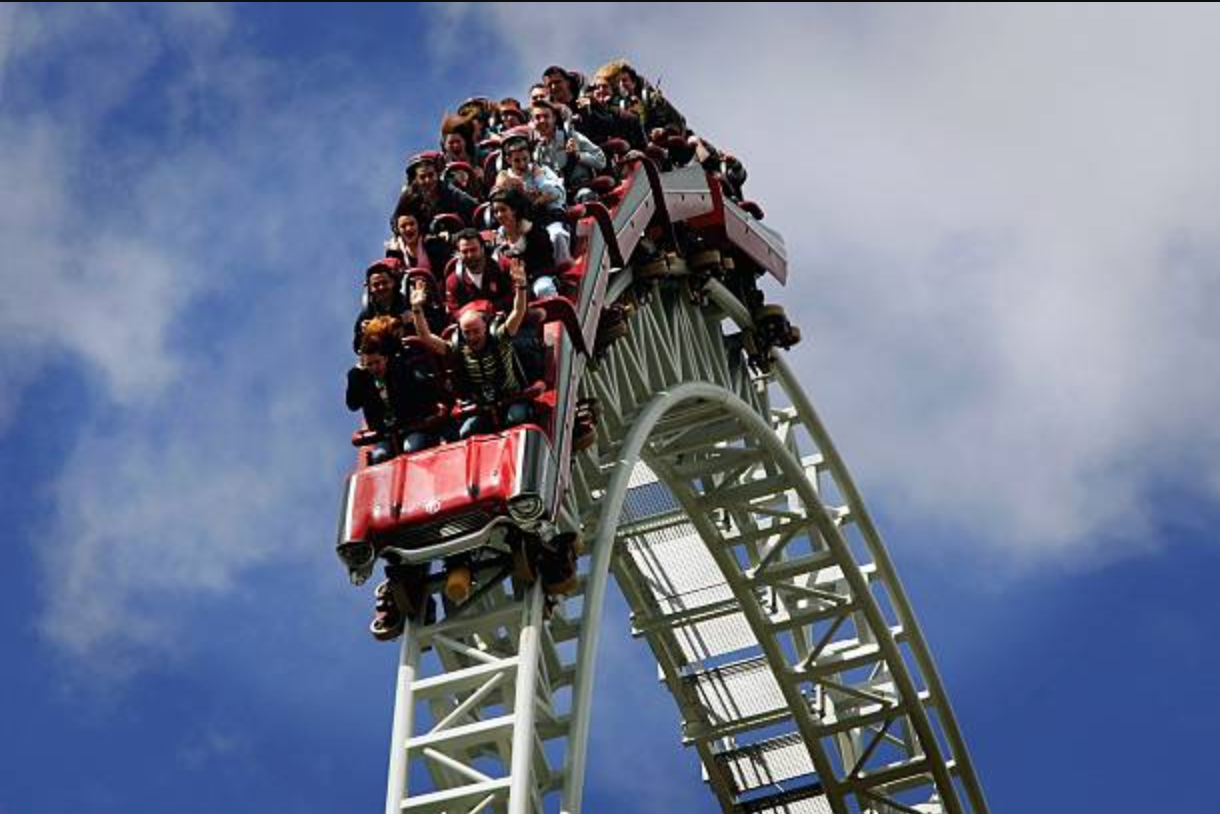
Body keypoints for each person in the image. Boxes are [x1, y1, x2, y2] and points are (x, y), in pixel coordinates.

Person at [410, 260, 539, 439]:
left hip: (511, 398)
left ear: (485, 327)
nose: (472, 337)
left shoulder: (499, 336)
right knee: (466, 432)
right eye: (467, 333)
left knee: (515, 418)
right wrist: (417, 309)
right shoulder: (457, 347)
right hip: (481, 406)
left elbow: (518, 311)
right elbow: (425, 337)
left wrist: (521, 286)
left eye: (476, 331)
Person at [345, 318, 449, 460]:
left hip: (412, 426)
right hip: (385, 432)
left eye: (377, 362)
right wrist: (356, 376)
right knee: (380, 456)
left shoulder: (399, 367)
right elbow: (353, 404)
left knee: (411, 448)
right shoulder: (361, 377)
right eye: (369, 364)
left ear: (386, 358)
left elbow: (422, 393)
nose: (375, 368)